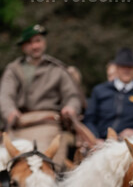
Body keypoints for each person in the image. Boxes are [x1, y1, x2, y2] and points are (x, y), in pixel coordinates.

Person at [0, 23, 81, 161]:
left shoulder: (57, 68)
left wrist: (71, 107)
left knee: (42, 161)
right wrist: (9, 112)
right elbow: (5, 95)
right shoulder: (13, 69)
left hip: (49, 123)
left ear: (44, 42)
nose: (35, 46)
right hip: (19, 123)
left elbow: (72, 95)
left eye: (38, 41)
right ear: (23, 47)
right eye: (30, 43)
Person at [84, 48, 133, 140]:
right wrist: (95, 138)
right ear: (116, 68)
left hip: (130, 142)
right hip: (101, 141)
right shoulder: (99, 91)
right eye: (123, 66)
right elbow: (89, 119)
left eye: (130, 67)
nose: (126, 70)